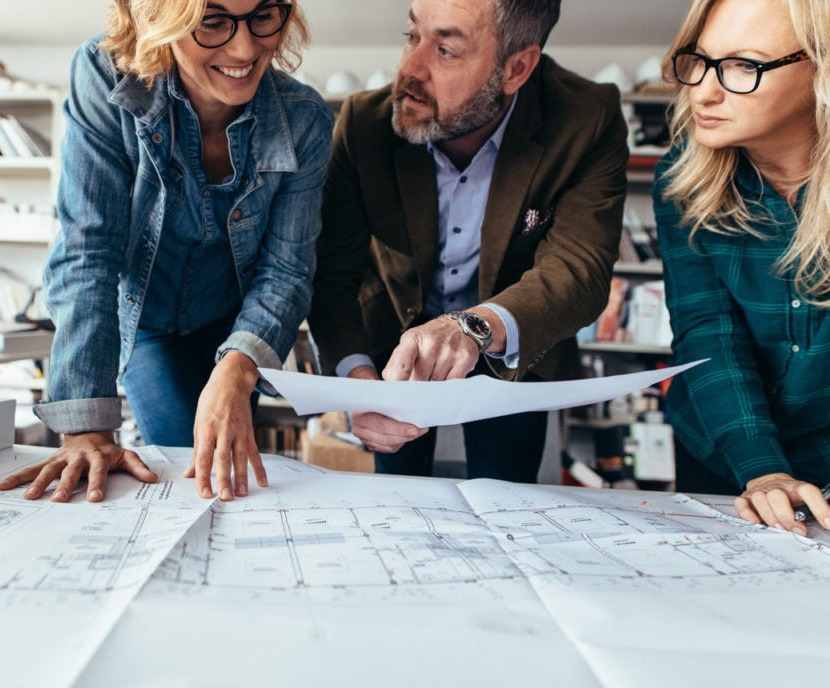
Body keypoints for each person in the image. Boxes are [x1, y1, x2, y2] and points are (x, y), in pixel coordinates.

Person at [0, 0, 334, 504]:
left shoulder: (305, 119)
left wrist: (239, 366)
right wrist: (86, 428)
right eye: (211, 23)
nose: (245, 48)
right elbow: (90, 249)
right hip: (146, 321)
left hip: (238, 325)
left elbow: (286, 270)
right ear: (159, 21)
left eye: (263, 15)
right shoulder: (107, 75)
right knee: (185, 467)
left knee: (227, 473)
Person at [307, 0, 628, 481]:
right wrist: (359, 386)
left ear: (516, 69)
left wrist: (474, 329)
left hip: (514, 347)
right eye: (412, 36)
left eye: (446, 50)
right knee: (398, 496)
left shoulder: (586, 118)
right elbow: (332, 279)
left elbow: (577, 270)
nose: (408, 70)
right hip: (393, 347)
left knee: (506, 503)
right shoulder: (363, 124)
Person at [654, 0, 830, 535]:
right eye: (702, 60)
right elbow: (709, 333)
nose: (703, 92)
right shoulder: (682, 178)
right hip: (722, 450)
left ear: (820, 67)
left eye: (743, 67)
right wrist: (762, 468)